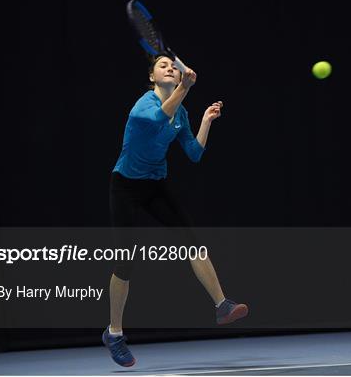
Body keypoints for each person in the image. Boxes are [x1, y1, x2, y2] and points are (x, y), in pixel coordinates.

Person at [102, 53, 248, 367]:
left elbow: (194, 153)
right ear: (153, 78)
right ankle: (114, 333)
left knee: (193, 241)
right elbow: (157, 122)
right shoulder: (143, 106)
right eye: (162, 66)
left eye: (172, 64)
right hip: (125, 185)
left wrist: (206, 121)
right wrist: (185, 87)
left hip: (155, 185)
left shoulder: (180, 112)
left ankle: (222, 305)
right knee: (125, 262)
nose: (169, 67)